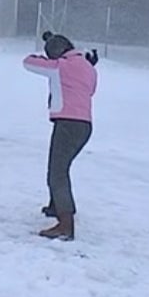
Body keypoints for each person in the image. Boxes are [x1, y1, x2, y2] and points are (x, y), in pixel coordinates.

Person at [22, 31, 99, 241]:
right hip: (84, 125)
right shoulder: (88, 68)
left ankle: (65, 225)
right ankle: (56, 206)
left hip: (67, 123)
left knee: (57, 171)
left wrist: (49, 59)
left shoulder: (60, 66)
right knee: (60, 167)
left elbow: (28, 63)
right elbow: (90, 91)